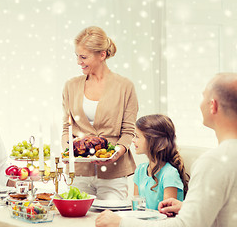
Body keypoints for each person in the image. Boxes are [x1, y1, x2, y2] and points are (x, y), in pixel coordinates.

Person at [95, 72, 237, 227]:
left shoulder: (214, 162)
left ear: (213, 105)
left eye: (203, 97)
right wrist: (186, 207)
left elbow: (185, 225)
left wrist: (121, 223)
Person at [62, 26, 138, 200]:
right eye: (77, 56)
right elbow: (66, 128)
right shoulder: (71, 86)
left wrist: (116, 153)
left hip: (113, 172)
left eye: (84, 57)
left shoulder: (125, 86)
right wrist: (68, 152)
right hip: (79, 173)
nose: (78, 62)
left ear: (102, 55)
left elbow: (128, 131)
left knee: (109, 221)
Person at [132, 114, 189, 210]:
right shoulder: (140, 170)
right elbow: (136, 210)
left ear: (153, 140)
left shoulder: (169, 174)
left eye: (137, 136)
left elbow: (166, 214)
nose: (133, 140)